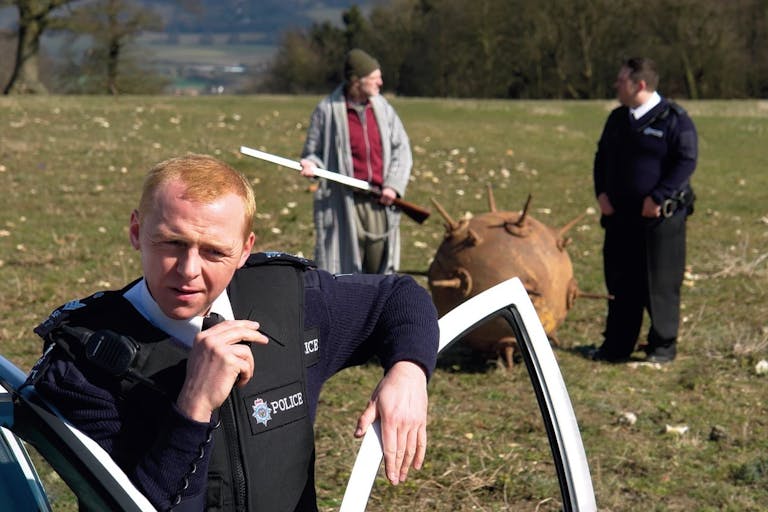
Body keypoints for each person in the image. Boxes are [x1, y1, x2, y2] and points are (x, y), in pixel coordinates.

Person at [29, 154, 439, 511]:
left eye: (214, 252)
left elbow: (397, 298)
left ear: (245, 249)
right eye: (172, 243)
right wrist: (193, 405)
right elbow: (127, 503)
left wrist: (409, 372)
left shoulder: (289, 302)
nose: (189, 270)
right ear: (137, 232)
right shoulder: (83, 360)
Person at [591, 57, 697, 363]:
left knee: (659, 283)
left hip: (659, 220)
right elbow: (601, 158)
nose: (616, 85)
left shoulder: (674, 119)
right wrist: (602, 194)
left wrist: (659, 197)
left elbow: (686, 161)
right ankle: (616, 346)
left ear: (639, 84)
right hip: (619, 217)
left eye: (621, 80)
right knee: (621, 282)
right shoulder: (617, 119)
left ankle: (662, 347)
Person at [300, 48, 413, 275]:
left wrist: (392, 186)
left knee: (378, 266)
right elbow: (314, 152)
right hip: (343, 202)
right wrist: (312, 165)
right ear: (356, 82)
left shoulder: (383, 108)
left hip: (380, 200)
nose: (380, 82)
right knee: (342, 268)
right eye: (374, 78)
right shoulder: (327, 110)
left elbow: (402, 148)